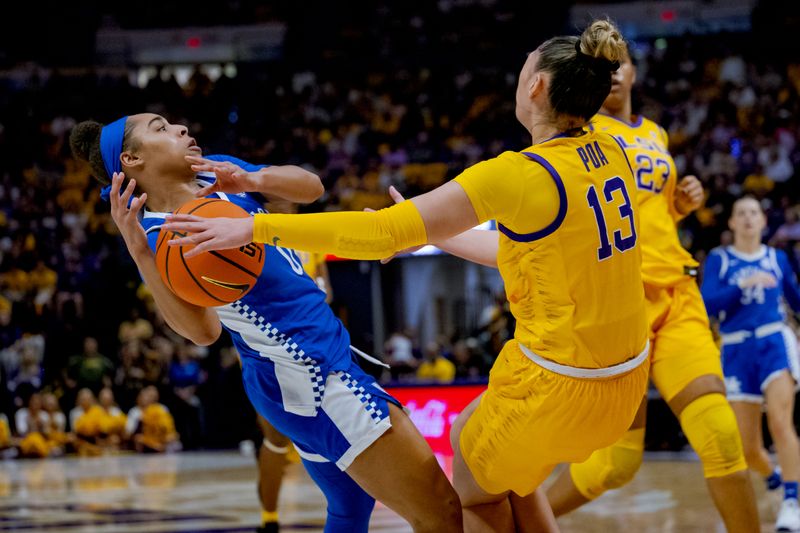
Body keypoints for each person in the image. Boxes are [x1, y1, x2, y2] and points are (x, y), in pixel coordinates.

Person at [164, 19, 651, 532]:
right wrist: (439, 234)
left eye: (528, 61)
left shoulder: (517, 174)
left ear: (537, 85)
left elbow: (382, 235)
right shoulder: (615, 151)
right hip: (626, 385)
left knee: (474, 494)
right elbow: (520, 251)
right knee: (494, 458)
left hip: (559, 387)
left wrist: (257, 227)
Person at [69, 115, 461, 533]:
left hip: (308, 366)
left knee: (351, 506)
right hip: (310, 376)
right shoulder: (157, 234)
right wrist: (141, 255)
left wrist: (253, 180)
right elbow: (204, 332)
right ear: (131, 159)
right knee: (441, 511)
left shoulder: (214, 172)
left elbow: (312, 187)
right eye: (160, 129)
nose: (181, 129)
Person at [542, 39, 759, 533]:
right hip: (620, 305)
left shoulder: (657, 134)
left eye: (620, 64)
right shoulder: (580, 132)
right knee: (617, 464)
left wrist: (679, 204)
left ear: (635, 73)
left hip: (677, 294)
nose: (613, 73)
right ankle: (524, 519)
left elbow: (648, 208)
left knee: (720, 434)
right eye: (600, 67)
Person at [701, 196, 800, 531]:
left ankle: (791, 501)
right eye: (740, 213)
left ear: (762, 221)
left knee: (780, 423)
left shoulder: (777, 258)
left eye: (753, 213)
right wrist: (741, 285)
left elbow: (796, 300)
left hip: (773, 342)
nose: (747, 218)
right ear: (730, 223)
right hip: (736, 350)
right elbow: (706, 303)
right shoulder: (720, 259)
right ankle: (772, 477)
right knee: (747, 447)